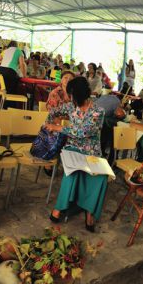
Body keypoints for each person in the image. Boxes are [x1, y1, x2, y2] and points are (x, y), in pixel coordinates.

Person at [45, 77, 106, 232]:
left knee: (100, 176)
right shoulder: (70, 107)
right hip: (73, 148)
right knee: (71, 171)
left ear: (79, 94)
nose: (70, 98)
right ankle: (59, 207)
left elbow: (83, 132)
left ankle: (89, 212)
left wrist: (58, 128)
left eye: (72, 95)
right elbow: (53, 111)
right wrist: (52, 121)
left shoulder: (98, 111)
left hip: (92, 152)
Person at [96, 87, 125, 164]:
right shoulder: (116, 101)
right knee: (114, 132)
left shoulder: (102, 97)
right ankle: (111, 159)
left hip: (96, 121)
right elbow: (119, 114)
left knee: (108, 130)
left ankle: (102, 155)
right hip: (104, 123)